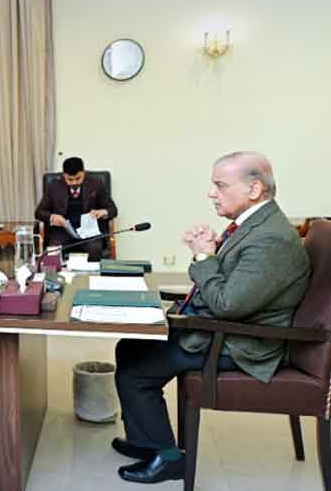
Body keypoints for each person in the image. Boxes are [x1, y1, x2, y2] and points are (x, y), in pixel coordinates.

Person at [113, 152, 310, 484]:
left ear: (254, 189)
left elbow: (227, 305)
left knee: (136, 368)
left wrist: (204, 256)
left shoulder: (271, 238)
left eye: (220, 185)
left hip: (243, 344)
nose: (211, 193)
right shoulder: (257, 225)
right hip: (230, 328)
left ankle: (168, 458)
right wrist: (209, 253)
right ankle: (147, 441)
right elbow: (232, 287)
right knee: (130, 346)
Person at [35, 156, 117, 261]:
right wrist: (52, 217)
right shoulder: (54, 187)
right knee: (53, 249)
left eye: (78, 178)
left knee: (95, 248)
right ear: (64, 175)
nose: (74, 183)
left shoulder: (96, 184)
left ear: (84, 173)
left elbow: (113, 210)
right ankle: (55, 272)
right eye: (70, 179)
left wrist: (102, 212)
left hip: (88, 233)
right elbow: (39, 212)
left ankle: (91, 272)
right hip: (62, 232)